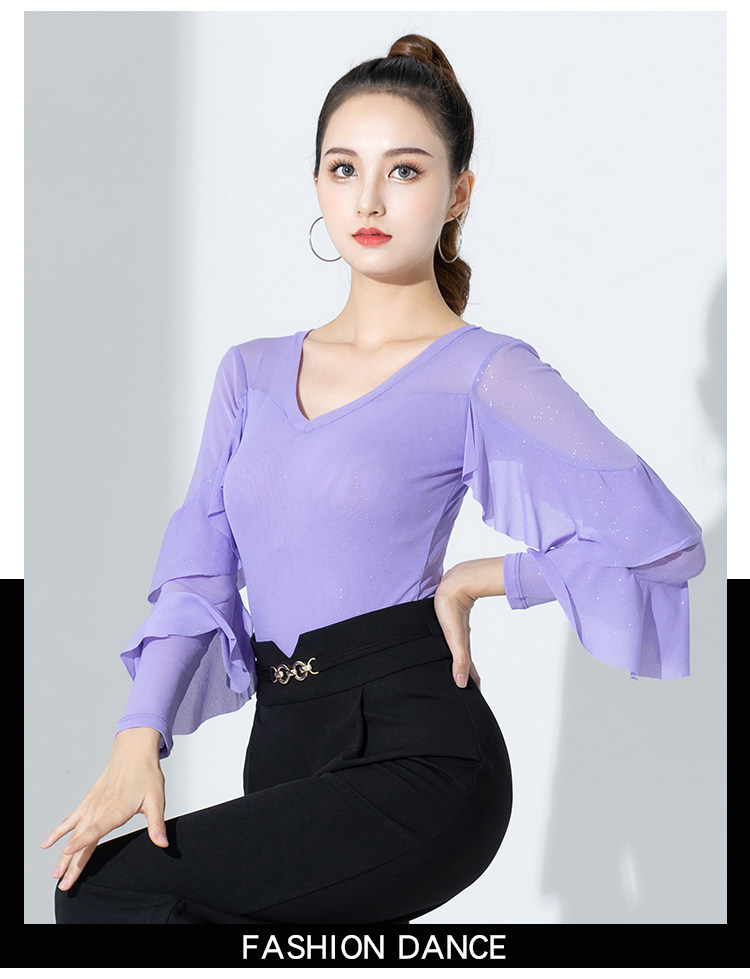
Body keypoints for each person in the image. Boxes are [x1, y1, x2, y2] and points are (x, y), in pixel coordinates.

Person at [43, 34, 706, 925]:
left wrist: (483, 577)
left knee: (108, 898)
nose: (368, 199)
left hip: (421, 746)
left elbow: (663, 538)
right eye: (343, 168)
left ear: (457, 192)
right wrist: (139, 736)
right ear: (317, 183)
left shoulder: (480, 370)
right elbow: (199, 574)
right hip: (285, 735)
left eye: (404, 170)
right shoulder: (250, 372)